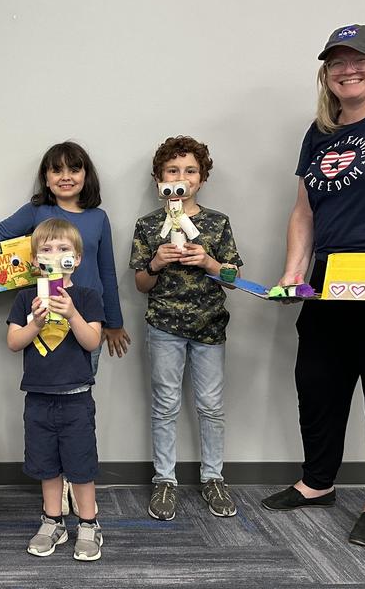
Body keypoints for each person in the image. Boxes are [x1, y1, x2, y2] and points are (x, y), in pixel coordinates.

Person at [261, 24, 365, 546]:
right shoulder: (320, 133)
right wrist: (293, 270)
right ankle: (318, 482)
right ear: (326, 73)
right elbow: (304, 211)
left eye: (359, 59)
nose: (348, 69)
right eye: (337, 62)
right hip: (330, 279)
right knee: (318, 385)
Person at [0, 141, 127, 514]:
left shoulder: (98, 218)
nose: (65, 176)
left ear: (85, 176)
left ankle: (77, 478)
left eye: (73, 169)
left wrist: (113, 322)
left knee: (78, 403)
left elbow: (107, 271)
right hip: (42, 321)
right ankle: (53, 485)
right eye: (56, 170)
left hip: (84, 319)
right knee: (46, 402)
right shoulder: (37, 211)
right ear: (46, 176)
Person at [130, 136, 243, 521]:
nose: (182, 177)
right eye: (173, 171)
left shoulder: (217, 222)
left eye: (190, 171)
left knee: (211, 406)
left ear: (202, 177)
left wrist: (209, 262)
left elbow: (233, 277)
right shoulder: (148, 226)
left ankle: (213, 477)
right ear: (159, 179)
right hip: (163, 326)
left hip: (210, 326)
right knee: (165, 405)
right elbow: (140, 284)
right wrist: (157, 263)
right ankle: (165, 479)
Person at [7, 218, 104, 561]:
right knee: (46, 466)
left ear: (76, 258)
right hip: (38, 399)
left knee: (81, 466)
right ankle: (52, 521)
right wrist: (36, 322)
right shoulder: (24, 299)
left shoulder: (88, 298)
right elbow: (14, 342)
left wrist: (73, 314)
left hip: (77, 399)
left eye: (63, 249)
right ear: (35, 260)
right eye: (45, 249)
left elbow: (92, 341)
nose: (54, 254)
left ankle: (89, 524)